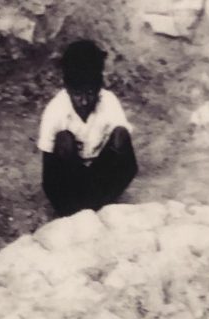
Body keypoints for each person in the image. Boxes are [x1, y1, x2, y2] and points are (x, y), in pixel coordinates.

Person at [37, 40, 138, 216]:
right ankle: (75, 209)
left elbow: (128, 163)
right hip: (70, 182)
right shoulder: (55, 111)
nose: (84, 101)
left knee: (121, 134)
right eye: (77, 94)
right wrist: (62, 204)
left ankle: (99, 203)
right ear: (68, 89)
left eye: (90, 93)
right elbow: (48, 177)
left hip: (99, 178)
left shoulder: (108, 102)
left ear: (99, 89)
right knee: (64, 140)